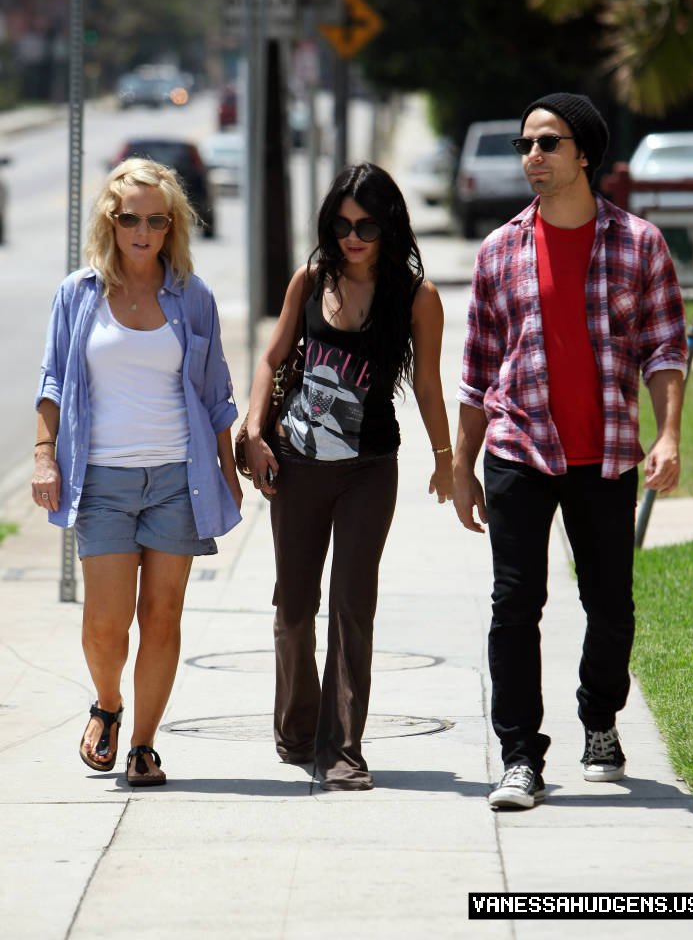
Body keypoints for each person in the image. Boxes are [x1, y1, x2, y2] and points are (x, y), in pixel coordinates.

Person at [452, 93, 687, 809]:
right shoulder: (498, 250)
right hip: (519, 450)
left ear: (582, 153)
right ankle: (519, 756)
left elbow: (664, 348)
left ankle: (600, 720)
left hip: (607, 453)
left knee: (609, 603)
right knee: (514, 605)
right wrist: (461, 468)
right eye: (526, 143)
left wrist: (670, 433)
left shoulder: (638, 243)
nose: (531, 156)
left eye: (546, 143)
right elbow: (476, 367)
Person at [32, 157, 242, 786]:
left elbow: (215, 395)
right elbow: (52, 384)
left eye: (155, 219)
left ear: (171, 224)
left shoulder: (192, 296)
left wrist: (229, 469)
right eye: (129, 219)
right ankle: (109, 704)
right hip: (102, 480)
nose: (142, 231)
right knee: (104, 622)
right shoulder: (78, 293)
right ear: (111, 221)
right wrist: (44, 454)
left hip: (179, 478)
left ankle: (144, 745)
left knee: (163, 616)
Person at [243, 161, 453, 791]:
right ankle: (297, 728)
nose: (352, 236)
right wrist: (254, 432)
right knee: (294, 606)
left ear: (390, 225)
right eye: (340, 223)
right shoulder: (310, 280)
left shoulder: (417, 298)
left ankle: (343, 748)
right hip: (297, 464)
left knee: (352, 603)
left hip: (369, 468)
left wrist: (447, 459)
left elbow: (428, 383)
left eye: (365, 224)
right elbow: (273, 357)